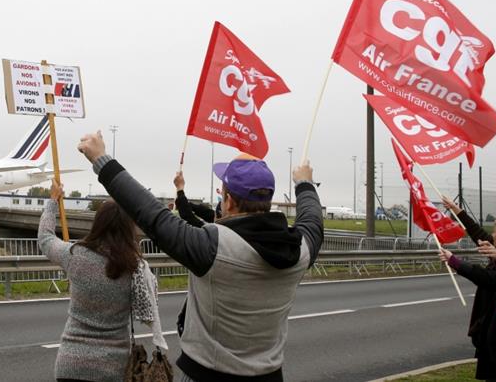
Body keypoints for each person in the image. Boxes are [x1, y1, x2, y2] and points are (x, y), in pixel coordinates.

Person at [78, 131, 323, 382]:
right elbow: (312, 219)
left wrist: (100, 159)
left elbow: (150, 214)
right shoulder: (300, 250)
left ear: (227, 201)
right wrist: (304, 184)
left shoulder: (213, 247)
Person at [38, 179, 142, 382]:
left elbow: (45, 238)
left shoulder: (75, 255)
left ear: (98, 223)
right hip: (112, 369)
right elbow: (146, 309)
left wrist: (53, 201)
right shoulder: (135, 267)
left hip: (70, 365)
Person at [439, 198, 496, 382]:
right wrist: (458, 212)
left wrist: (455, 262)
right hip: (491, 332)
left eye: (495, 232)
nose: (492, 236)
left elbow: (487, 279)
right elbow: (478, 234)